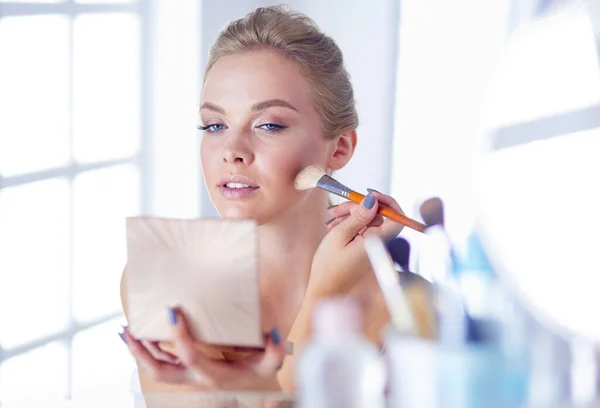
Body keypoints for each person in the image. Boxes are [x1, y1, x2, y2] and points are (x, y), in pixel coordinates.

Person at [120, 5, 405, 395]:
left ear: (339, 149)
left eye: (268, 124)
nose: (232, 150)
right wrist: (323, 296)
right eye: (215, 125)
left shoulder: (404, 299)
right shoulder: (167, 274)